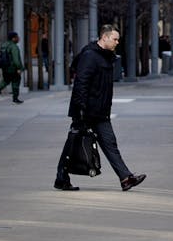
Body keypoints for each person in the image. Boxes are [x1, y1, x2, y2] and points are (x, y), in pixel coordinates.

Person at [55, 24, 145, 193]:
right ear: (104, 37)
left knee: (109, 143)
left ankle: (125, 178)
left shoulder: (105, 56)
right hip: (86, 111)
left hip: (100, 111)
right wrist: (81, 110)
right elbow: (81, 83)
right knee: (73, 144)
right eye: (115, 39)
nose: (117, 42)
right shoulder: (90, 56)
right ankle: (61, 178)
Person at [0, 31, 25, 104]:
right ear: (13, 38)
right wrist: (19, 68)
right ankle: (15, 99)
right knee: (16, 82)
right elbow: (16, 59)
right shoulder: (14, 47)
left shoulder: (4, 45)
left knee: (5, 81)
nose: (18, 38)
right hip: (13, 68)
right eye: (17, 37)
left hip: (5, 67)